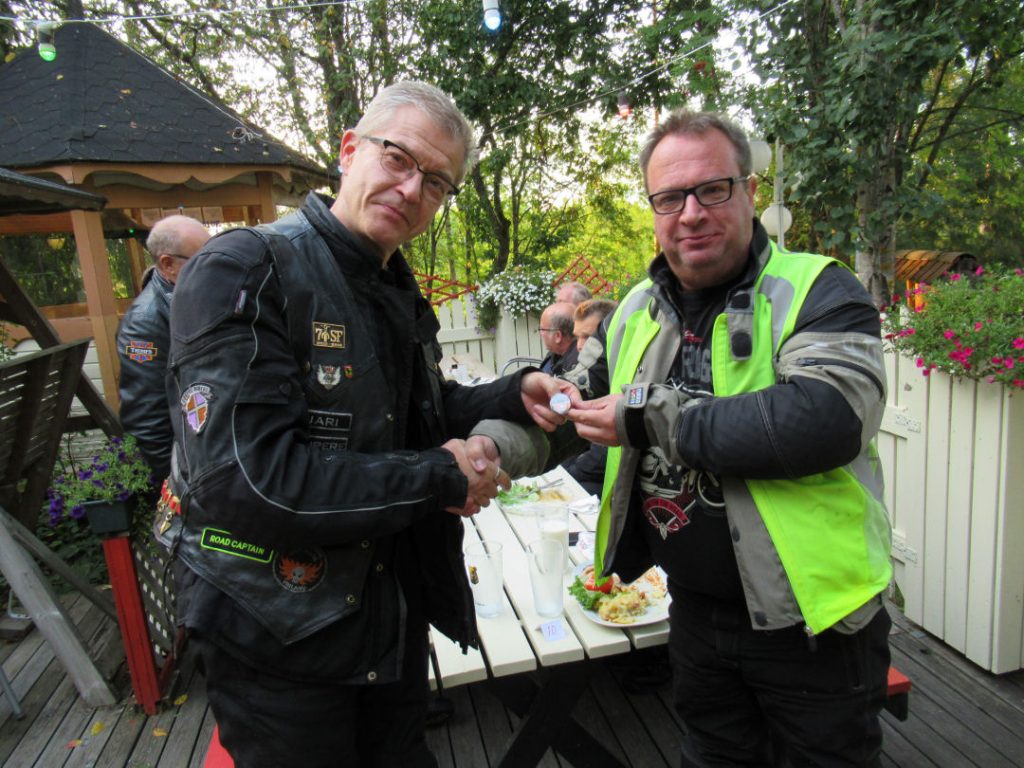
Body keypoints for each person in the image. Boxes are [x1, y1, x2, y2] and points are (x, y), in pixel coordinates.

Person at [162, 81, 563, 768]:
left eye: (436, 182)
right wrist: (440, 476)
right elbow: (249, 481)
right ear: (350, 150)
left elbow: (407, 414)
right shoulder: (245, 267)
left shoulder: (389, 281)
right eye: (398, 158)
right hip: (277, 636)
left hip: (383, 611)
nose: (411, 190)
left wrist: (509, 393)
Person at [563, 110, 893, 766]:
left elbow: (828, 419)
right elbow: (571, 401)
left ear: (749, 191)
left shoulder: (820, 289)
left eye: (712, 189)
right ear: (653, 210)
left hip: (817, 625)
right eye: (669, 198)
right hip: (692, 614)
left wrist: (648, 415)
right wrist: (489, 439)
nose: (690, 213)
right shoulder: (633, 310)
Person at [116, 214, 210, 482]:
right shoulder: (144, 324)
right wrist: (175, 484)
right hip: (187, 476)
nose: (214, 266)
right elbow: (147, 419)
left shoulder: (191, 300)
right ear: (168, 264)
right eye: (202, 259)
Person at [537, 301, 579, 375]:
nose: (540, 333)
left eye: (542, 329)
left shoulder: (575, 371)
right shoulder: (556, 354)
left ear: (558, 336)